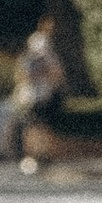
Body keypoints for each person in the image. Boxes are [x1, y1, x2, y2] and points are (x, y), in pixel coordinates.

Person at [12, 15, 68, 171]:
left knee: (41, 126)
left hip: (43, 94)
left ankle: (41, 155)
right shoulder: (39, 44)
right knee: (33, 126)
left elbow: (57, 73)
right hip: (33, 95)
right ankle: (33, 156)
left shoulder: (48, 51)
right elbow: (26, 74)